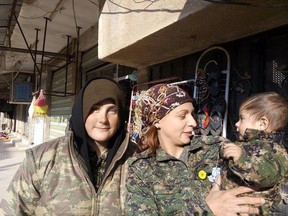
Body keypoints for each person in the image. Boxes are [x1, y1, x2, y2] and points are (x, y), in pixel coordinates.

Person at [0, 77, 136, 215]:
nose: (103, 119)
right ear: (81, 112)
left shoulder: (137, 161)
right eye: (94, 109)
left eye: (112, 110)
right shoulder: (42, 159)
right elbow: (12, 211)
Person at [126, 83, 265, 215]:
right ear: (157, 121)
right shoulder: (141, 169)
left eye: (192, 114)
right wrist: (206, 209)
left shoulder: (215, 147)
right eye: (182, 116)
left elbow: (261, 167)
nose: (193, 122)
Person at [221, 91, 288, 215]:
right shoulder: (246, 144)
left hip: (252, 210)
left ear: (262, 123)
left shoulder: (274, 150)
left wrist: (241, 159)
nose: (236, 124)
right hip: (232, 205)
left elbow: (267, 175)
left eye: (242, 119)